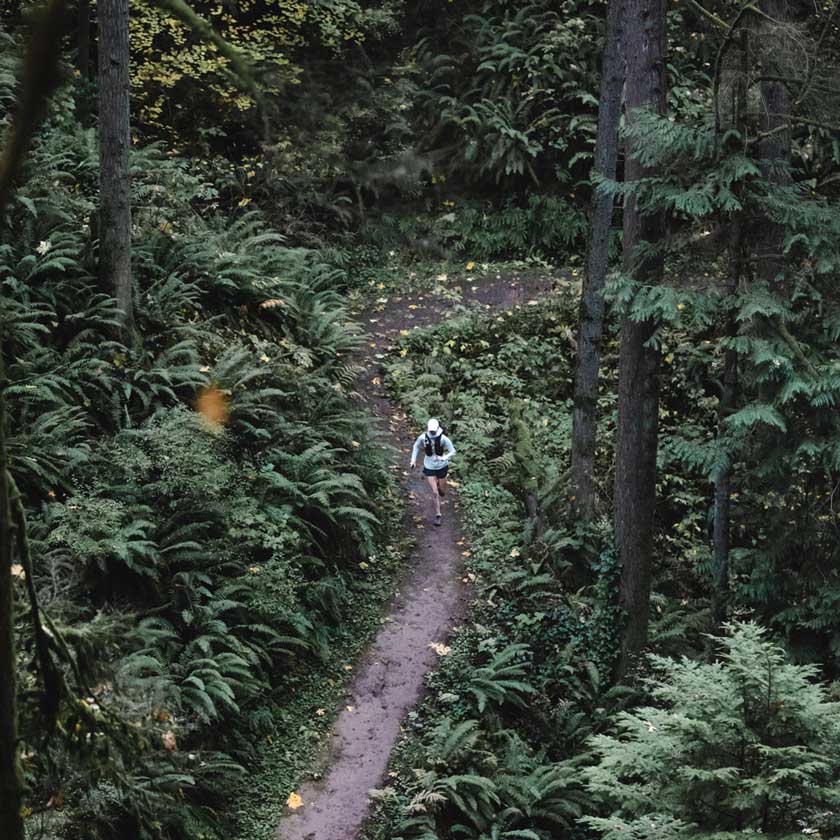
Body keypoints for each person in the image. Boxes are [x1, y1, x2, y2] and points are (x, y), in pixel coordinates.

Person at [410, 418, 455, 526]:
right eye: (431, 431)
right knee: (434, 492)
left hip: (442, 466)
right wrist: (413, 460)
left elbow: (453, 451)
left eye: (434, 431)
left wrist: (444, 458)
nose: (432, 433)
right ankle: (438, 515)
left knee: (442, 492)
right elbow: (416, 446)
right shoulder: (423, 438)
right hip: (429, 466)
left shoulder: (444, 439)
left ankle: (441, 486)